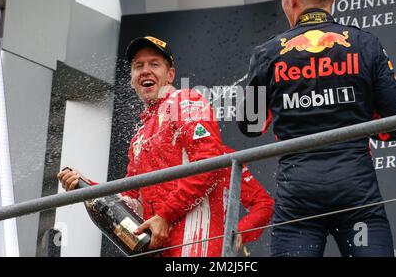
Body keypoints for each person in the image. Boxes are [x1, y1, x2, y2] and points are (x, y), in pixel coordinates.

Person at [237, 0, 396, 257]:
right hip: (356, 192)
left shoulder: (267, 52)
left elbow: (250, 125)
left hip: (298, 198)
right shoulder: (365, 43)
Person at [58, 36, 273, 257]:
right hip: (162, 249)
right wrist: (86, 186)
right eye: (138, 66)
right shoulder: (140, 135)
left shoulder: (185, 101)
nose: (145, 71)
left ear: (170, 75)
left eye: (154, 64)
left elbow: (209, 165)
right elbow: (131, 200)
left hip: (197, 245)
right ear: (131, 79)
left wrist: (166, 216)